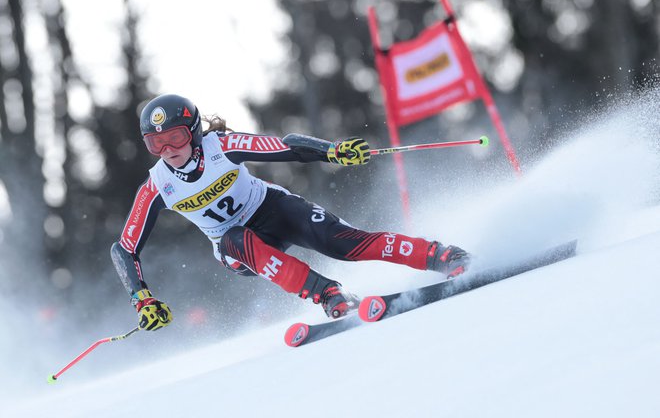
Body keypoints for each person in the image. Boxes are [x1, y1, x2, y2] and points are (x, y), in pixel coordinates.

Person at [111, 94, 471, 332]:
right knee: (234, 239)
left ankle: (439, 254)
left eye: (174, 137)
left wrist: (331, 151)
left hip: (271, 209)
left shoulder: (220, 145)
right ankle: (329, 294)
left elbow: (282, 146)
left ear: (192, 131)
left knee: (341, 243)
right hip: (236, 248)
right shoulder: (156, 185)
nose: (167, 149)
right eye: (155, 143)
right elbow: (125, 248)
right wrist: (141, 298)